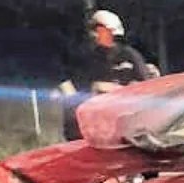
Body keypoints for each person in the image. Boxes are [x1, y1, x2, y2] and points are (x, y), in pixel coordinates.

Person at [60, 10, 155, 141]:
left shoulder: (130, 56)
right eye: (92, 30)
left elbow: (146, 88)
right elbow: (82, 91)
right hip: (100, 120)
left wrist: (112, 89)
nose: (92, 35)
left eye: (97, 30)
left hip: (128, 118)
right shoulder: (89, 60)